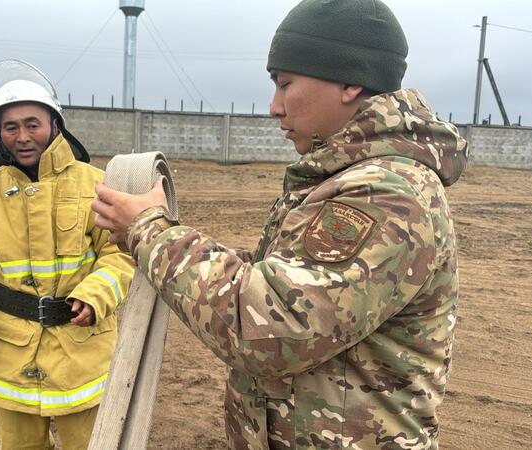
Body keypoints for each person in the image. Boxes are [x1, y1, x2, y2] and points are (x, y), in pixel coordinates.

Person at [91, 1, 468, 448]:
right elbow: (282, 278)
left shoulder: (385, 193)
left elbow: (275, 327)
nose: (274, 107)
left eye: (285, 84)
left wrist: (150, 231)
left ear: (350, 81)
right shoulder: (340, 178)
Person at [0, 60, 133, 450]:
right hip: (9, 354)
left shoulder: (96, 186)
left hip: (82, 350)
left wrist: (96, 295)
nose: (23, 136)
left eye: (32, 124)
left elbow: (121, 255)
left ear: (55, 126)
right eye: (11, 127)